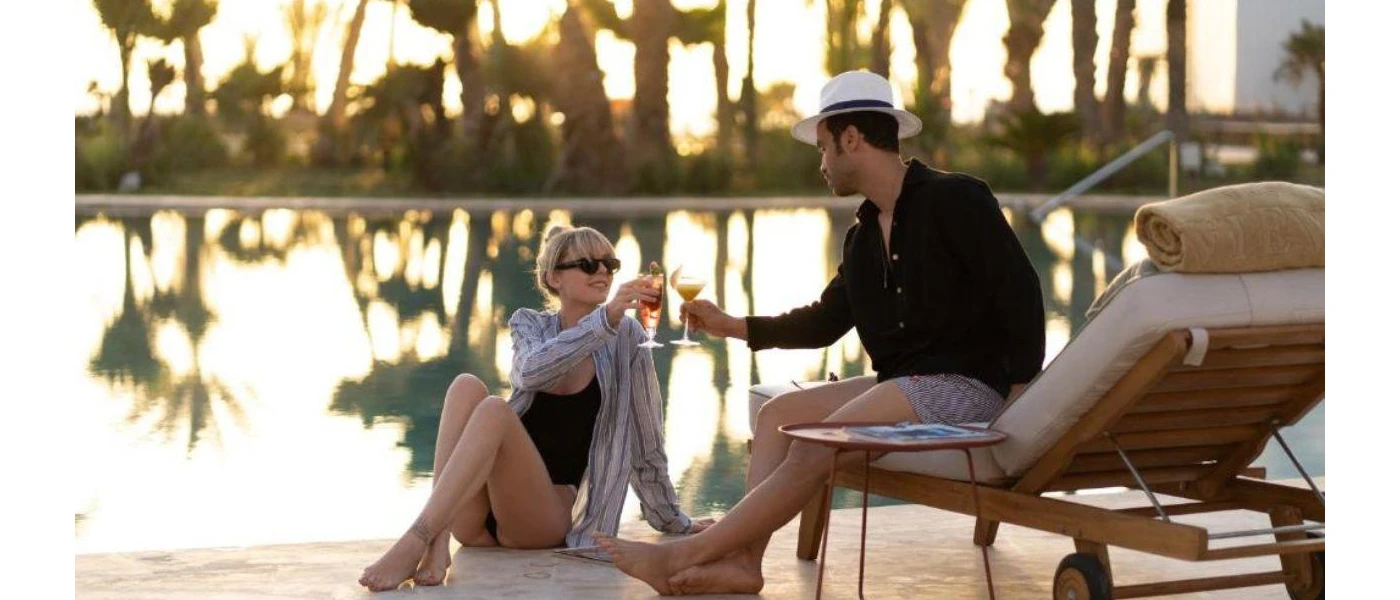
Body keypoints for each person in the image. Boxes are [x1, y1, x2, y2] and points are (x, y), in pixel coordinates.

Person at [595, 70, 1046, 595]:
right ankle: (745, 563)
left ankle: (684, 555)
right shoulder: (861, 238)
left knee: (815, 443)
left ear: (850, 138)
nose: (822, 164)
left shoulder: (956, 199)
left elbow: (1021, 292)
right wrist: (730, 325)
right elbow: (825, 321)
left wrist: (1018, 394)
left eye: (824, 148)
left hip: (967, 388)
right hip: (902, 385)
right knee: (777, 416)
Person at [359, 225, 713, 592]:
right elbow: (530, 373)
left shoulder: (627, 338)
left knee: (496, 410)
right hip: (476, 521)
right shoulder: (529, 324)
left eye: (610, 263)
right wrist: (603, 320)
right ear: (553, 278)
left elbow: (647, 440)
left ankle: (416, 538)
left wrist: (673, 520)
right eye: (589, 264)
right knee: (467, 386)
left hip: (539, 521)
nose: (604, 272)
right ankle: (436, 540)